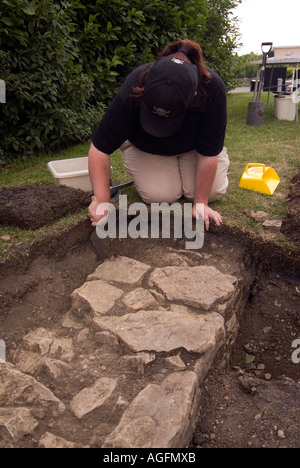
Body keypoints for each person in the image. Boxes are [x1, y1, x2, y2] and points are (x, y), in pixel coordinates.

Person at [88, 38, 229, 231]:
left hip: (194, 149)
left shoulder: (213, 89)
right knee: (161, 196)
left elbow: (208, 155)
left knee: (212, 192)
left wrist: (201, 202)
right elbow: (99, 148)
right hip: (146, 147)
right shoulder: (136, 81)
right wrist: (102, 202)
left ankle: (189, 178)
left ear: (194, 95)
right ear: (145, 86)